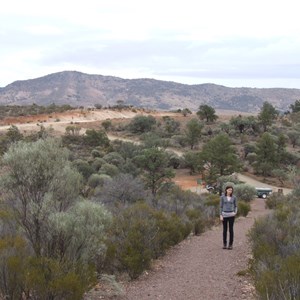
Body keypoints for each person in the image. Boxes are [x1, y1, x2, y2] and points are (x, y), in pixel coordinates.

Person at [220, 185, 237, 250]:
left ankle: (230, 244)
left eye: (231, 190)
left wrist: (235, 212)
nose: (230, 191)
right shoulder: (222, 197)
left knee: (231, 230)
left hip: (231, 215)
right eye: (229, 190)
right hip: (224, 214)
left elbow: (236, 206)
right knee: (224, 230)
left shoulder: (234, 197)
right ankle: (224, 244)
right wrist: (220, 215)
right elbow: (220, 207)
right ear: (226, 190)